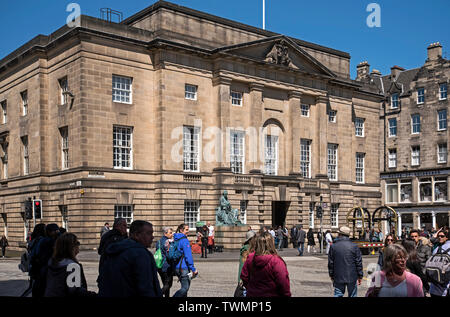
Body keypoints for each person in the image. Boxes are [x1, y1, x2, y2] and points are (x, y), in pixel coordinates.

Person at [98, 220, 162, 297]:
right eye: (149, 233)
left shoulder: (114, 250)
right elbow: (146, 287)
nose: (152, 237)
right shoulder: (140, 254)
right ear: (136, 235)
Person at [240, 232, 291, 297]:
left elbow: (244, 276)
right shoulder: (276, 261)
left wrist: (251, 288)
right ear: (271, 244)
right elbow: (283, 282)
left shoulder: (250, 258)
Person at [45, 233, 96, 297]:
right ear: (72, 247)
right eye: (77, 243)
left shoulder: (52, 263)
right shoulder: (72, 266)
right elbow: (75, 291)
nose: (79, 245)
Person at [328, 226, 363, 297]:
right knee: (352, 295)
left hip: (338, 275)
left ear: (340, 234)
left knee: (338, 294)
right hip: (352, 276)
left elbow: (331, 263)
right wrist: (360, 275)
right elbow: (358, 262)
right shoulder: (354, 246)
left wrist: (331, 275)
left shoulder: (334, 246)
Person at [31, 223, 60, 297]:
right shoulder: (46, 241)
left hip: (38, 268)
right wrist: (59, 234)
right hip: (44, 268)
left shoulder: (38, 240)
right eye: (55, 230)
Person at [173, 223, 198, 297]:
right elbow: (188, 256)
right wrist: (193, 268)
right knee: (185, 288)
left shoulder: (175, 239)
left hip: (176, 267)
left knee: (184, 291)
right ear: (181, 230)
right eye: (186, 230)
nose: (188, 231)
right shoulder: (184, 240)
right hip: (183, 267)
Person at [428, 229, 450, 297]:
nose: (440, 237)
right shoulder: (437, 248)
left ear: (447, 237)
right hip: (443, 286)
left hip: (436, 286)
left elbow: (431, 239)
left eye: (442, 236)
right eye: (439, 236)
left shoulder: (436, 248)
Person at [156, 227, 174, 298]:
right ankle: (158, 294)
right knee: (168, 284)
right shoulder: (167, 242)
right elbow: (169, 255)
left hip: (159, 265)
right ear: (165, 233)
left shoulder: (159, 241)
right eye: (170, 233)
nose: (172, 234)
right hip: (166, 266)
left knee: (165, 283)